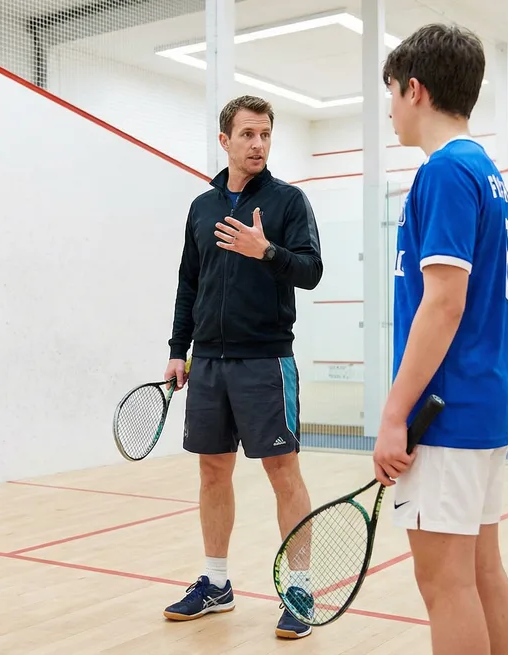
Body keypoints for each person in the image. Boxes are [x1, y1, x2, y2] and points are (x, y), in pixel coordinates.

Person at [371, 23, 508, 655]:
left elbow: (443, 305)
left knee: (445, 584)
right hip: (484, 406)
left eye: (391, 94)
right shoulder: (486, 170)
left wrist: (393, 413)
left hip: (445, 412)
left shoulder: (443, 174)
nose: (389, 110)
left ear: (415, 89)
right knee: (482, 570)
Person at [160, 94, 324, 640]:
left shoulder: (288, 202)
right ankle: (216, 582)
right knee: (212, 470)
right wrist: (178, 348)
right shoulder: (202, 207)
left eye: (265, 135)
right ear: (225, 140)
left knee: (283, 472)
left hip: (265, 362)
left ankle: (299, 588)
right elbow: (190, 282)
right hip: (207, 362)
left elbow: (311, 271)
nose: (258, 144)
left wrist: (267, 252)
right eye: (248, 134)